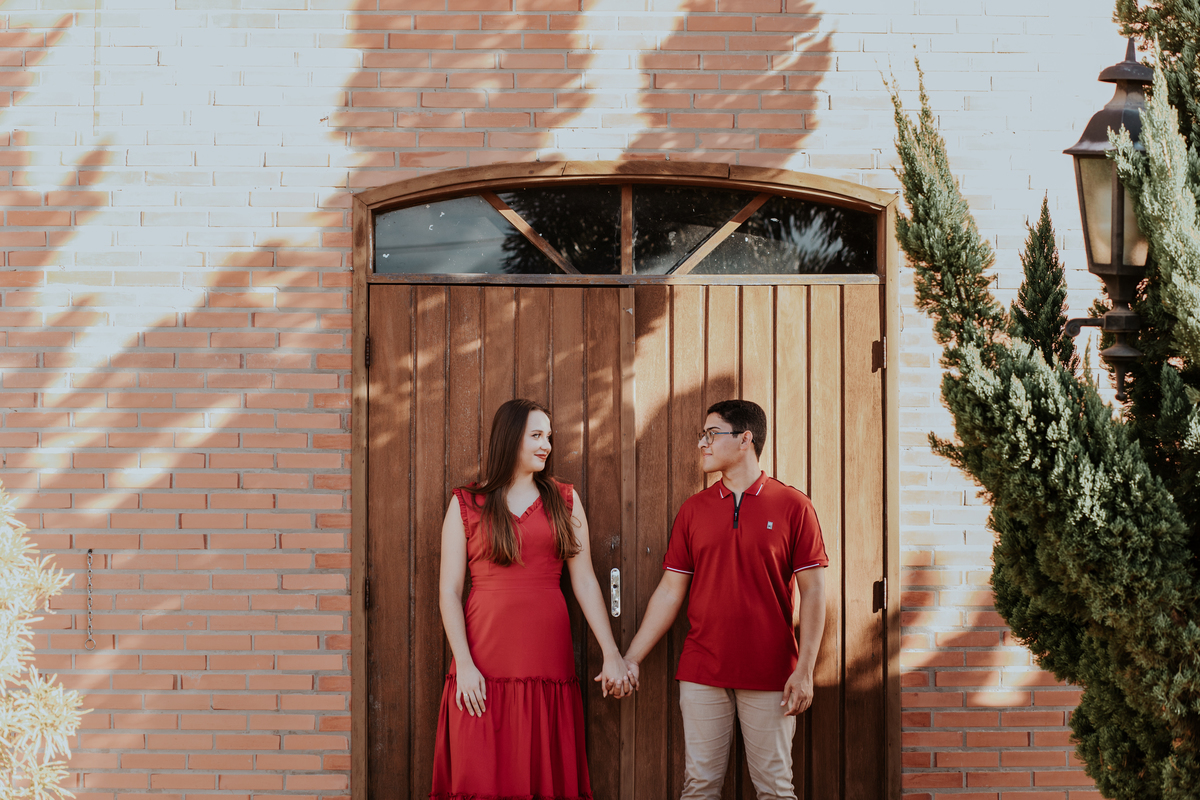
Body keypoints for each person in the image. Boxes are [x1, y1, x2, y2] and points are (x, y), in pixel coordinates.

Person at [622, 399, 828, 800]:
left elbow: (815, 592)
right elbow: (669, 591)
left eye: (711, 434)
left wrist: (805, 672)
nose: (703, 443)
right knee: (698, 787)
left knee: (774, 788)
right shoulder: (694, 510)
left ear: (745, 438)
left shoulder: (793, 506)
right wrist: (632, 657)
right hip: (703, 670)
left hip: (771, 674)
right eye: (703, 435)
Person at [430, 398, 632, 800]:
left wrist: (611, 652)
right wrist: (465, 665)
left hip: (545, 660)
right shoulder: (466, 503)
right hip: (483, 662)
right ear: (510, 439)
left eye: (549, 437)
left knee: (543, 777)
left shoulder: (565, 500)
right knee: (480, 776)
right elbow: (449, 592)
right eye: (536, 435)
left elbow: (586, 581)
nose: (546, 446)